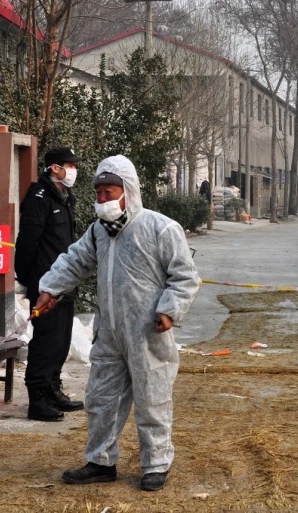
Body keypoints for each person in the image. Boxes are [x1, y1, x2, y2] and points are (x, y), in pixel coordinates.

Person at [33, 155, 200, 491]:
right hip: (109, 332)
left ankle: (155, 464)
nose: (102, 200)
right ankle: (100, 461)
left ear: (129, 191)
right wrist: (50, 288)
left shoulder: (160, 228)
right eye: (98, 194)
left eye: (109, 192)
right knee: (100, 398)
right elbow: (73, 261)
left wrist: (169, 310)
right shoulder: (99, 232)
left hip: (147, 332)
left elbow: (185, 276)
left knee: (152, 399)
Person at [14, 146, 84, 422]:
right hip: (46, 284)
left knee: (61, 341)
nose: (73, 170)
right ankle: (37, 398)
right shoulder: (39, 197)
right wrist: (30, 279)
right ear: (54, 168)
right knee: (45, 342)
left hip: (65, 281)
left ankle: (53, 388)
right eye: (69, 165)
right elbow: (27, 243)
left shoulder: (65, 197)